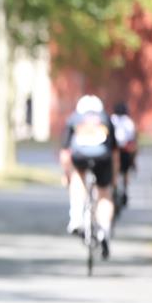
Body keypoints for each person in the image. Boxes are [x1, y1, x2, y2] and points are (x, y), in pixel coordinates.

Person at [59, 94, 120, 259]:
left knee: (77, 177)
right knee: (104, 195)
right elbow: (115, 153)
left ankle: (77, 218)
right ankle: (104, 230)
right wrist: (114, 177)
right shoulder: (106, 119)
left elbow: (65, 153)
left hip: (80, 157)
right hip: (103, 158)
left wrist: (67, 175)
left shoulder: (74, 119)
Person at [110, 101, 137, 208]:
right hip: (125, 150)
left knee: (114, 170)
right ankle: (125, 189)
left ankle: (114, 187)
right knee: (125, 171)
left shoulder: (111, 119)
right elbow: (133, 140)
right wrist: (133, 159)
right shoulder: (129, 122)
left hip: (113, 149)